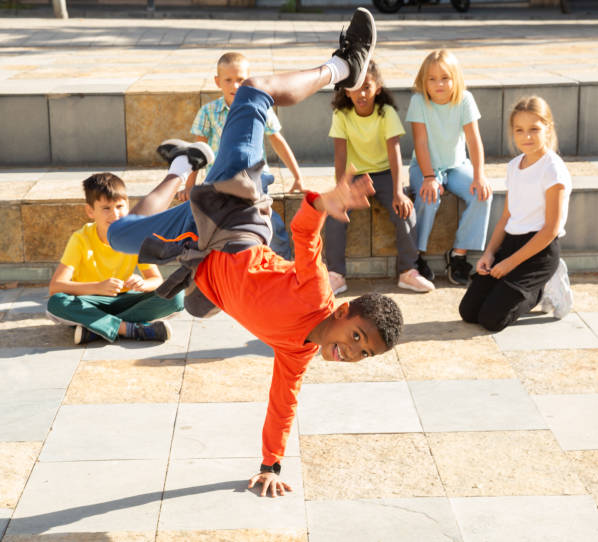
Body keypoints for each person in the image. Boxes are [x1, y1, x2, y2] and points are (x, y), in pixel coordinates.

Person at [108, 8, 403, 498]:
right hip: (234, 218)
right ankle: (345, 65)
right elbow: (307, 239)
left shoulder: (298, 352)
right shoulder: (317, 296)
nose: (350, 351)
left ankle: (184, 164)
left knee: (118, 234)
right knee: (253, 92)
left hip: (199, 252)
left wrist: (272, 465)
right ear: (345, 311)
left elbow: (282, 404)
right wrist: (325, 203)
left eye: (361, 353)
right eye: (357, 336)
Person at [459, 96, 573, 331]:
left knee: (492, 320)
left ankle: (542, 288)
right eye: (519, 130)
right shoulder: (514, 166)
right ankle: (525, 286)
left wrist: (510, 264)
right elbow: (506, 217)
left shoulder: (553, 170)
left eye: (534, 129)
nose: (526, 137)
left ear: (548, 129)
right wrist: (489, 254)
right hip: (511, 244)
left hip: (540, 251)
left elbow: (550, 229)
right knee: (469, 312)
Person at [182, 51, 304, 259]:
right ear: (217, 81)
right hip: (220, 182)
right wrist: (189, 184)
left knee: (271, 225)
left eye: (240, 80)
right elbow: (198, 152)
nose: (235, 85)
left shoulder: (259, 108)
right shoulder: (208, 112)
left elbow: (278, 141)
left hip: (254, 181)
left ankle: (286, 264)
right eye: (228, 80)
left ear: (249, 81)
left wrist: (297, 176)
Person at [325, 60, 432, 295]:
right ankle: (335, 275)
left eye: (367, 87)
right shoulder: (342, 114)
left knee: (406, 212)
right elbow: (340, 155)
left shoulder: (386, 113)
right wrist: (341, 189)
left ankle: (408, 272)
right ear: (346, 89)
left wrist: (398, 192)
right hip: (355, 176)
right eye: (355, 87)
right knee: (334, 215)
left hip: (384, 173)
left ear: (378, 88)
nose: (361, 93)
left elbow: (394, 153)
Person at [46, 173, 184, 345]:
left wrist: (143, 284)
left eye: (119, 206)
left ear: (127, 206)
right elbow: (56, 286)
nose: (115, 214)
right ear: (90, 211)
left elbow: (156, 280)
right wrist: (98, 287)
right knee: (57, 303)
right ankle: (130, 329)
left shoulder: (134, 236)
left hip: (125, 301)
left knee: (177, 296)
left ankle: (97, 328)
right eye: (106, 208)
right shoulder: (80, 239)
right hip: (91, 301)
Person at [406, 49, 492, 286]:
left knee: (482, 194)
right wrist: (429, 176)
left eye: (445, 78)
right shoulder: (418, 101)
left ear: (456, 79)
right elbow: (420, 142)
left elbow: (474, 141)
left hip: (456, 166)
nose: (439, 84)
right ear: (423, 81)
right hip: (425, 168)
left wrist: (479, 175)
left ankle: (458, 255)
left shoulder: (464, 99)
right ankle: (417, 256)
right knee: (428, 196)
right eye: (432, 79)